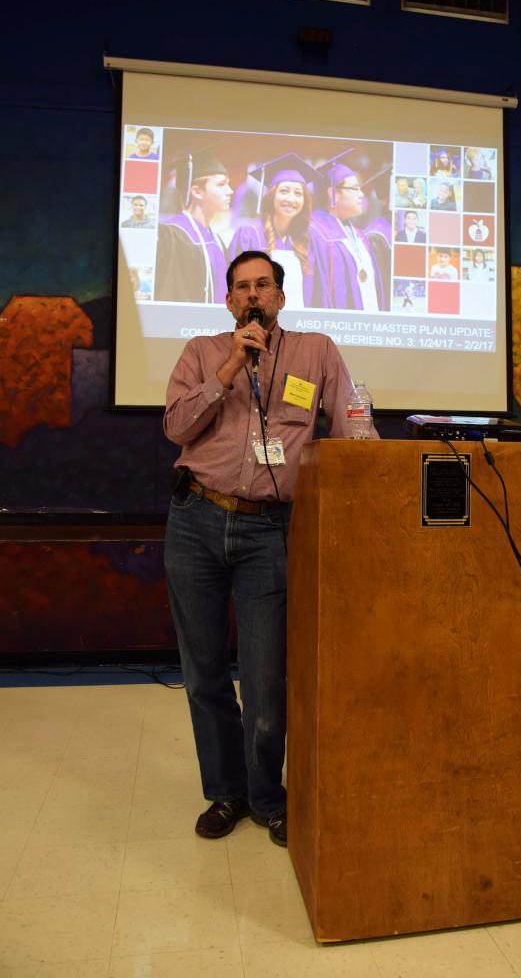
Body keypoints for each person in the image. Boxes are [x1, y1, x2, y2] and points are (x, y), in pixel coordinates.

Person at [164, 250, 366, 848]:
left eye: (264, 285)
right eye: (242, 288)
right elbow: (176, 427)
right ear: (229, 302)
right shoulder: (202, 353)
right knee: (203, 673)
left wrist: (377, 467)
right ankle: (225, 792)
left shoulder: (318, 351)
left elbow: (353, 424)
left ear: (281, 296)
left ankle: (266, 797)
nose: (253, 296)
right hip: (196, 518)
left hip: (270, 530)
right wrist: (229, 368)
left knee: (265, 678)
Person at [228, 153, 324, 310]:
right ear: (271, 195)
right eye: (284, 191)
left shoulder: (306, 241)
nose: (291, 199)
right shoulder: (250, 235)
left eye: (298, 193)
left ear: (305, 201)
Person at [155, 151, 233, 303]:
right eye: (221, 184)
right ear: (197, 191)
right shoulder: (173, 236)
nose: (230, 191)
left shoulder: (217, 240)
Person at [310, 160, 388, 311]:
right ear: (333, 193)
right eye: (355, 188)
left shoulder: (359, 235)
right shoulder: (315, 233)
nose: (361, 194)